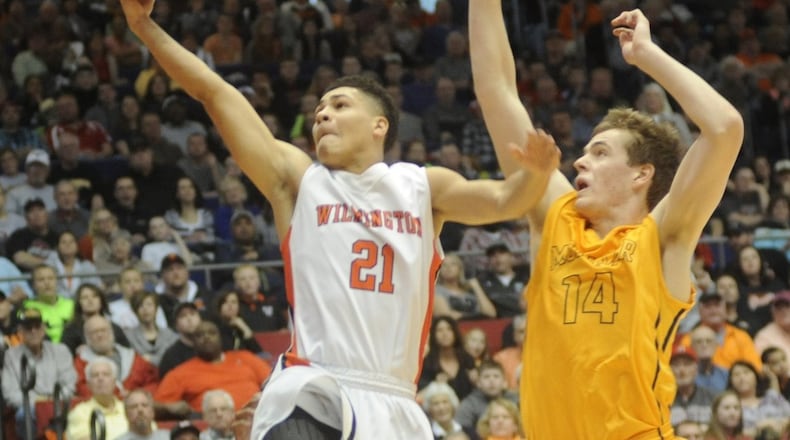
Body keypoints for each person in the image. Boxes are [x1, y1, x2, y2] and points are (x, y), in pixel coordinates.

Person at [120, 0, 559, 437]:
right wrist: (144, 27)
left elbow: (505, 200)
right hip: (313, 384)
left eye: (340, 105)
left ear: (379, 125)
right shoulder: (300, 180)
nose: (323, 114)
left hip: (392, 398)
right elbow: (216, 93)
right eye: (318, 112)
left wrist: (537, 174)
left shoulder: (422, 187)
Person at [469, 3, 744, 439]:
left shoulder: (662, 235)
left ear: (641, 173)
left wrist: (647, 55)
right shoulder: (555, 213)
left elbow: (725, 128)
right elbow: (496, 89)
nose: (580, 159)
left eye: (600, 153)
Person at [66, 357, 129, 440]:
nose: (100, 378)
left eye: (106, 374)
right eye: (95, 375)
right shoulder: (80, 412)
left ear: (114, 382)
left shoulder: (129, 408)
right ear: (88, 385)